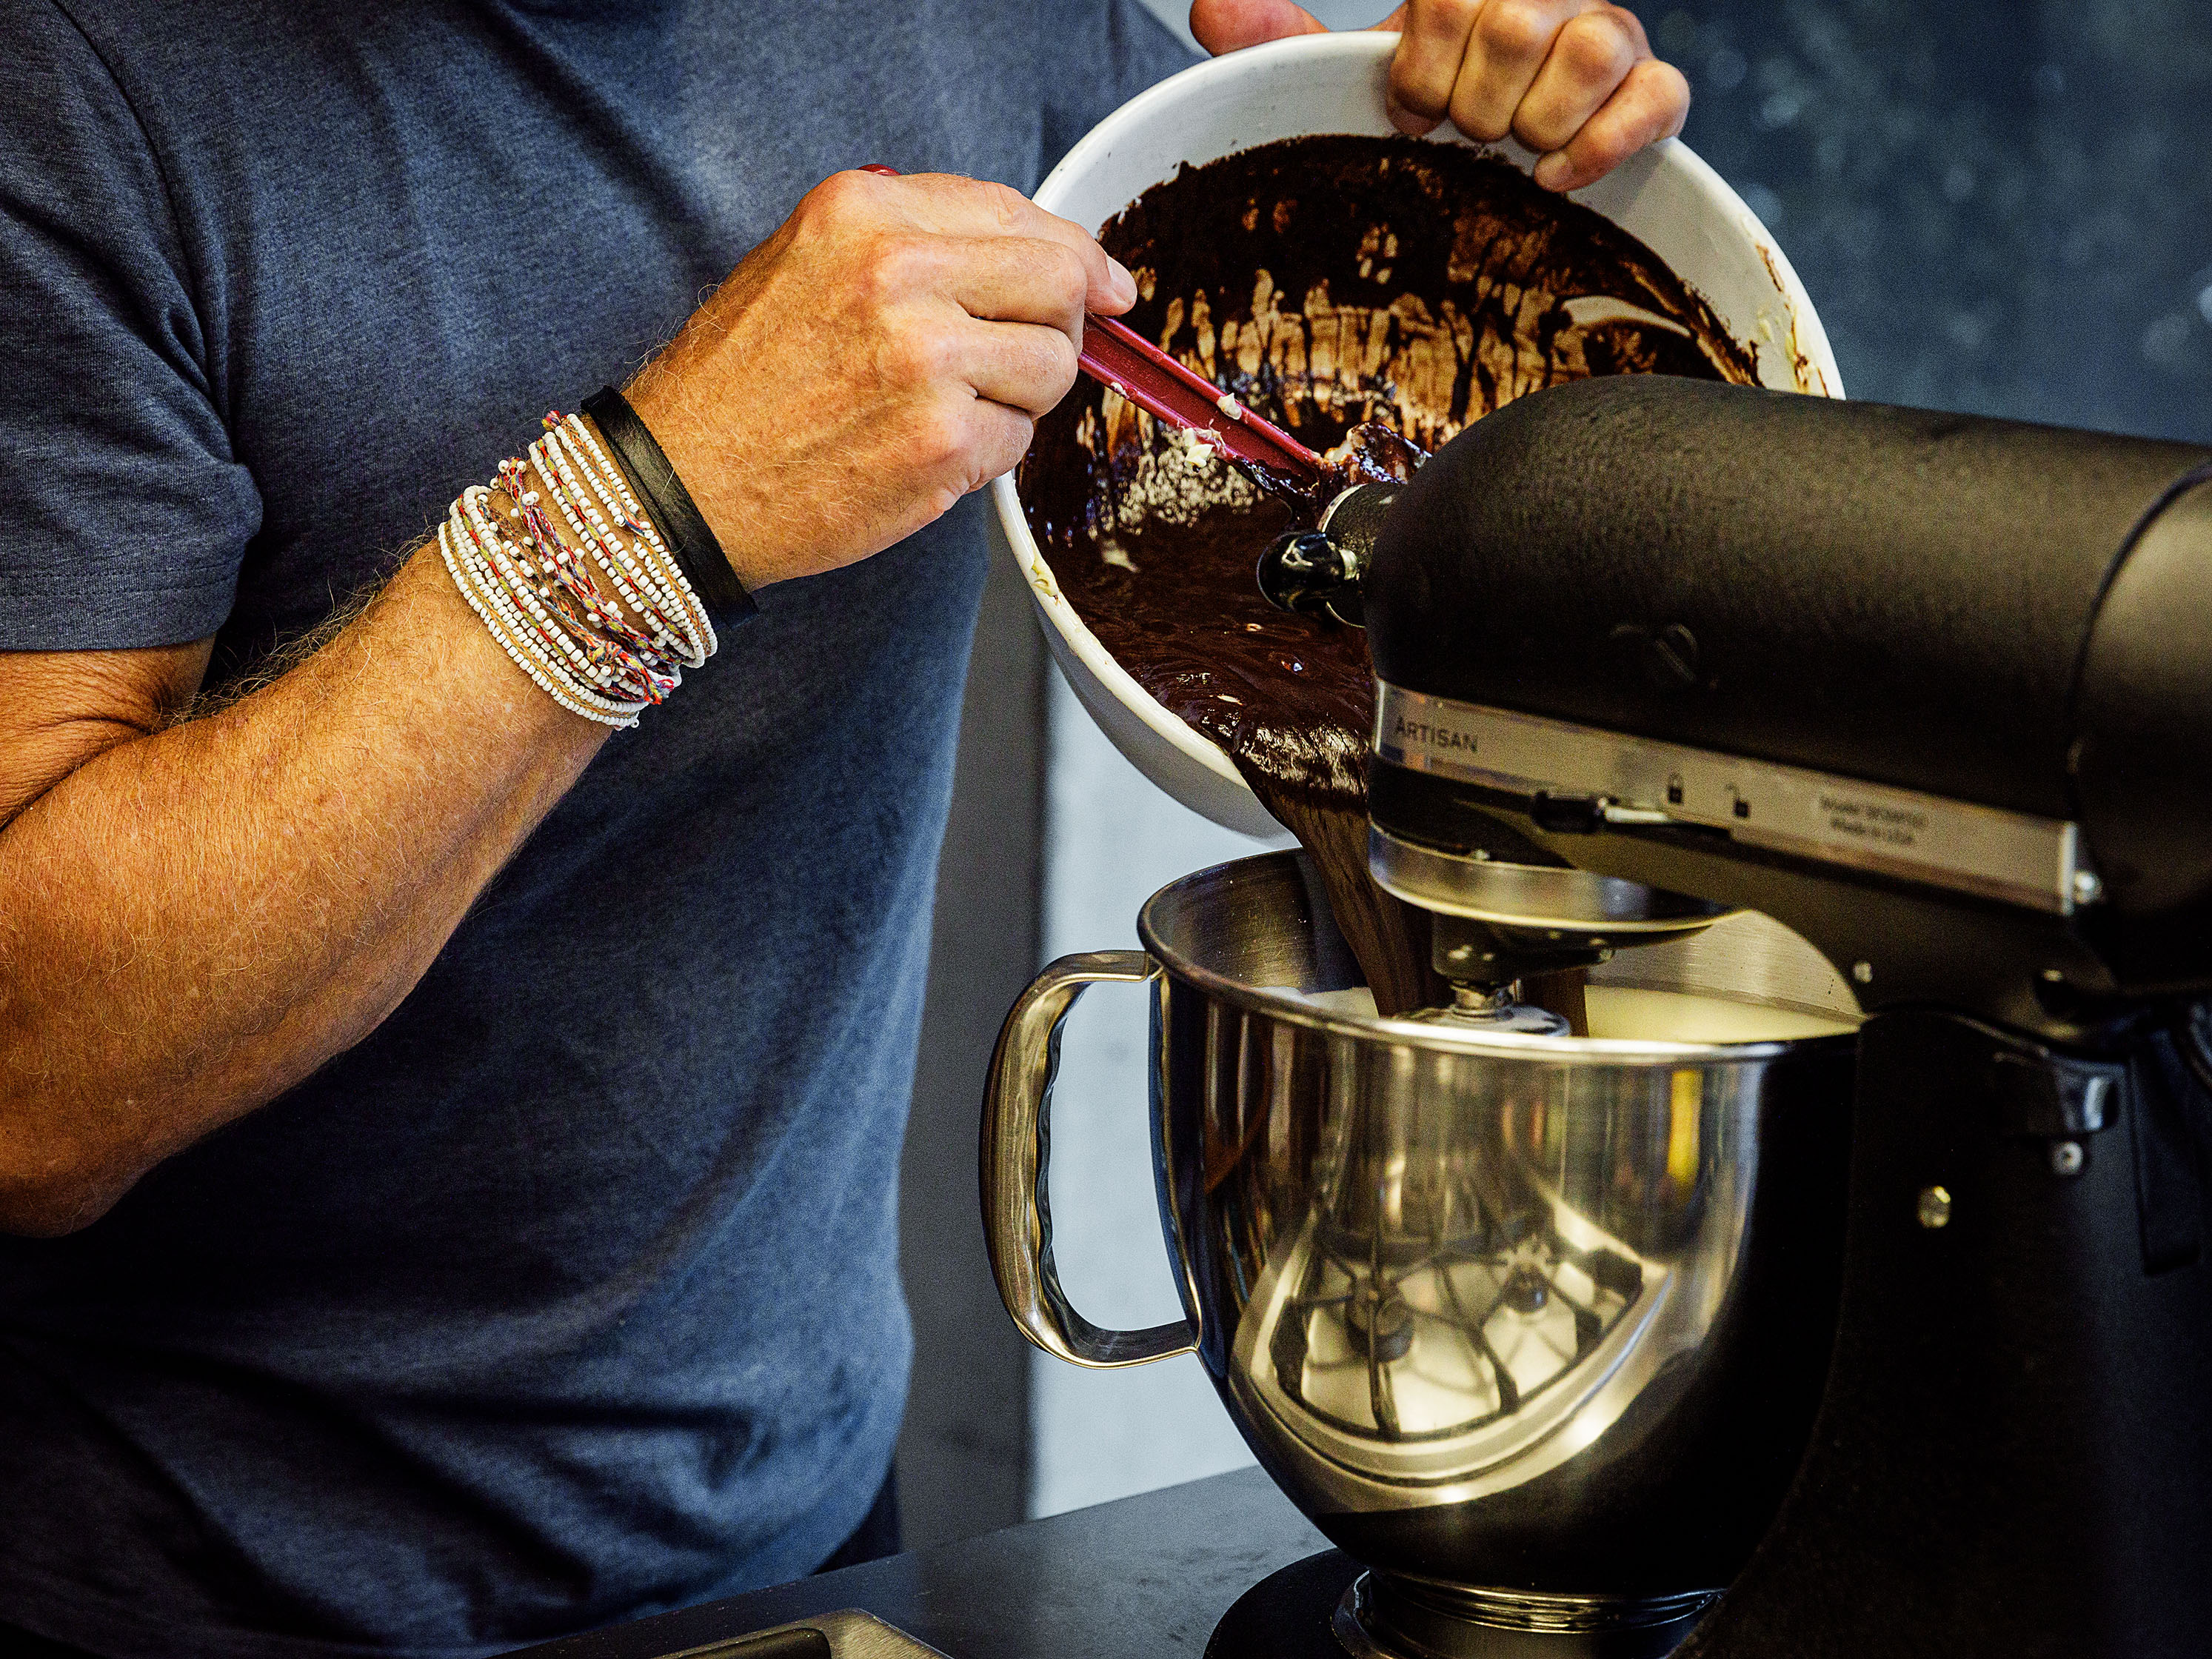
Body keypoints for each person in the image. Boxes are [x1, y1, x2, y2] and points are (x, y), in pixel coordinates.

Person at [0, 2, 1685, 1655]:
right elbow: (30, 1078)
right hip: (186, 1583)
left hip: (802, 1541)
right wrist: (656, 507)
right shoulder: (75, 86)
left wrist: (1500, 119)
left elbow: (1281, 376)